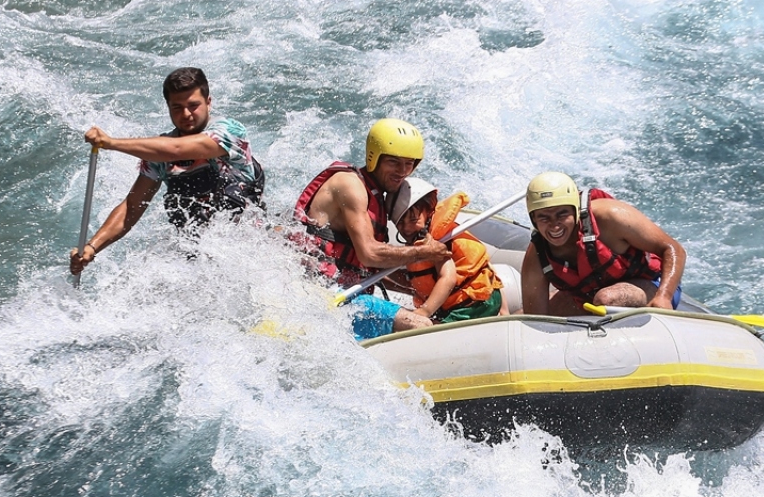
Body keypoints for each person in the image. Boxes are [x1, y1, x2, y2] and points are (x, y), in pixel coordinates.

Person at [69, 67, 265, 276]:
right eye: (177, 107)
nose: (186, 114)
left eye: (193, 105)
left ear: (209, 102)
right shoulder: (159, 156)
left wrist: (111, 143)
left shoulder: (229, 132)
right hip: (197, 259)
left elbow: (176, 149)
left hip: (248, 248)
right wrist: (92, 247)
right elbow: (132, 207)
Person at [293, 118, 451, 340]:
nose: (402, 171)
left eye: (409, 163)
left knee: (431, 317)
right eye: (394, 162)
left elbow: (367, 270)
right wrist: (424, 252)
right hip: (322, 294)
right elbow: (369, 254)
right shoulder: (349, 185)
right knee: (420, 324)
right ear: (373, 158)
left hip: (346, 295)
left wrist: (417, 288)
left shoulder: (374, 194)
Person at [520, 171, 686, 316]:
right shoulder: (537, 257)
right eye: (544, 217)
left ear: (575, 210)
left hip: (653, 283)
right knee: (519, 317)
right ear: (533, 219)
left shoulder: (610, 217)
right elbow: (536, 320)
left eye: (562, 214)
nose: (554, 225)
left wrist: (664, 296)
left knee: (605, 298)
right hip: (590, 297)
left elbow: (673, 249)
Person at [389, 177, 505, 329]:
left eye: (413, 220)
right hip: (457, 303)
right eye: (400, 223)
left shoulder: (435, 241)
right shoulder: (418, 239)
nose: (407, 228)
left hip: (474, 302)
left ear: (429, 211)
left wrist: (424, 311)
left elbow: (448, 277)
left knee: (420, 329)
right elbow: (415, 280)